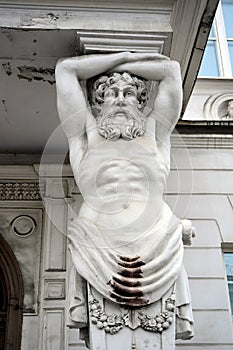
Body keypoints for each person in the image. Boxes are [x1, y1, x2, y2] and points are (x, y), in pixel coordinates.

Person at [55, 52, 194, 339]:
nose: (119, 99)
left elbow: (170, 71)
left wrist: (126, 61)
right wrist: (121, 56)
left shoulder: (156, 134)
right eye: (110, 93)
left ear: (141, 102)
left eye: (129, 93)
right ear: (98, 101)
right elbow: (66, 70)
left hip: (157, 243)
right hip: (97, 245)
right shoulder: (84, 136)